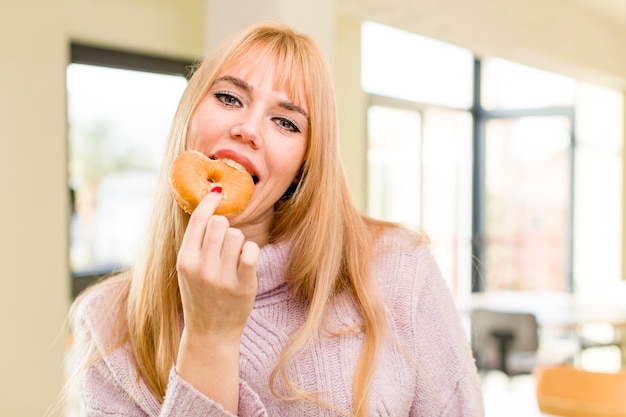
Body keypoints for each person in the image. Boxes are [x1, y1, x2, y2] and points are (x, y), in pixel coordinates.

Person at [67, 21, 484, 417]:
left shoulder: (396, 269)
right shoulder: (108, 323)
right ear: (190, 114)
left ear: (304, 164)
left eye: (285, 122)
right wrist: (210, 338)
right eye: (230, 98)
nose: (248, 129)